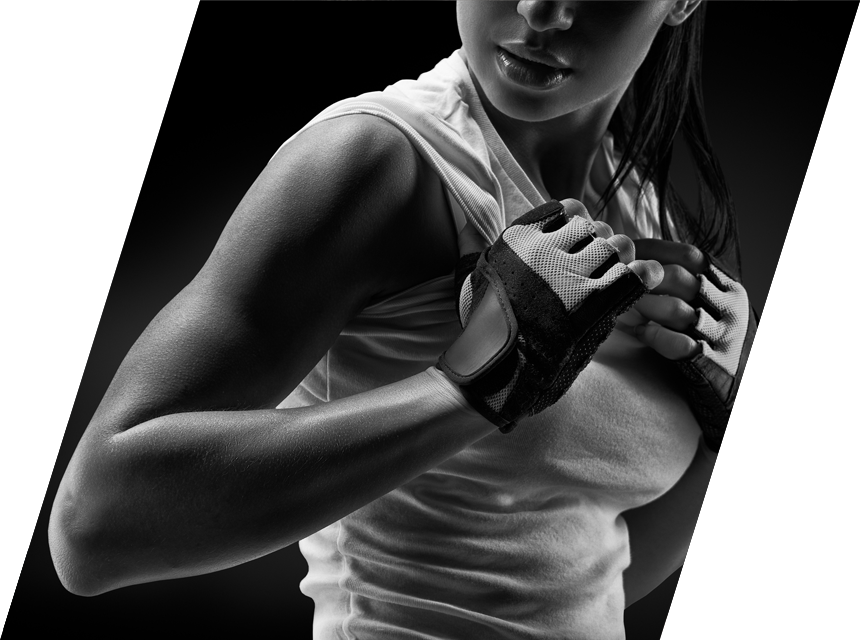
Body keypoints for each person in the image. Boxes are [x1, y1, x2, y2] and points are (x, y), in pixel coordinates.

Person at [47, 1, 791, 638]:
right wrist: (465, 388)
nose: (540, 11)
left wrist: (736, 441)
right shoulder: (377, 159)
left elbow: (570, 586)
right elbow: (95, 529)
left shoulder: (637, 207)